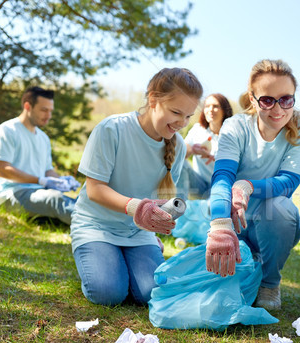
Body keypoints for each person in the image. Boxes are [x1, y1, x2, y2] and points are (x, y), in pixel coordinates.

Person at [70, 68, 202, 306]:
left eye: (188, 116)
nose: (181, 123)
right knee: (108, 293)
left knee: (151, 293)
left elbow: (157, 197)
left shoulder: (178, 147)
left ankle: (128, 260)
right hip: (97, 225)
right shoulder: (112, 129)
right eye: (175, 112)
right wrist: (136, 208)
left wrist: (158, 220)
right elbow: (95, 189)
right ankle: (99, 259)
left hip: (137, 232)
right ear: (153, 100)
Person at [205, 59, 300, 310]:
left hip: (271, 223)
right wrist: (220, 225)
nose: (278, 109)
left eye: (286, 99)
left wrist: (247, 186)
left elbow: (289, 182)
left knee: (282, 208)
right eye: (267, 100)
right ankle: (246, 259)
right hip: (235, 218)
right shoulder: (235, 126)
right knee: (220, 291)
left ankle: (269, 281)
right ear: (253, 99)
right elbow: (222, 176)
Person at [0, 86, 79, 224]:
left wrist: (62, 181)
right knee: (55, 199)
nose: (48, 115)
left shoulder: (43, 138)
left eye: (50, 111)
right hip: (7, 195)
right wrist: (40, 181)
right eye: (44, 110)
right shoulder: (6, 131)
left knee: (78, 199)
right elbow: (1, 170)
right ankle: (99, 227)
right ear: (27, 106)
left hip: (37, 193)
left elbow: (47, 171)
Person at [181, 93, 233, 198]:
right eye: (207, 106)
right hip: (198, 183)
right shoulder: (198, 129)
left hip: (220, 187)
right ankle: (179, 207)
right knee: (180, 164)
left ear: (224, 110)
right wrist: (193, 150)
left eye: (215, 106)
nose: (210, 109)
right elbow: (181, 154)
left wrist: (217, 159)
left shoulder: (232, 136)